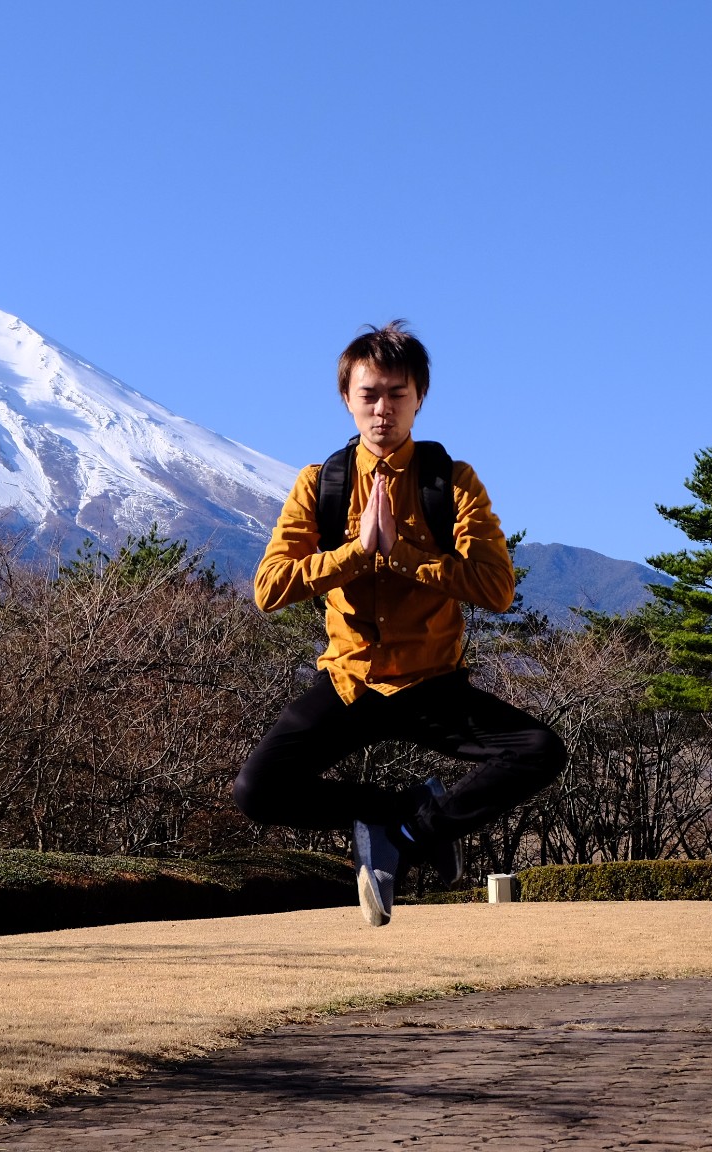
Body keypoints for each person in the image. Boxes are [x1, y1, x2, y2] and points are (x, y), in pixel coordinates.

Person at [234, 321, 566, 927]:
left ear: (419, 399)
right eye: (369, 394)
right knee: (256, 791)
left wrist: (405, 556)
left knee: (540, 750)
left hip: (432, 682)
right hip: (349, 682)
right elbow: (268, 588)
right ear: (347, 399)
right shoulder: (321, 484)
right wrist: (355, 554)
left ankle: (415, 831)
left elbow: (496, 588)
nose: (382, 408)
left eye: (396, 394)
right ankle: (383, 812)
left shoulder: (452, 482)